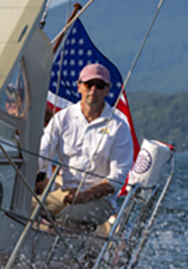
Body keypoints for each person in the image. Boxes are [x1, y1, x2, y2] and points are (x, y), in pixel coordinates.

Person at [37, 63, 134, 226]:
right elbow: (41, 155)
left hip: (101, 202)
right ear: (79, 87)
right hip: (65, 194)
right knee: (24, 208)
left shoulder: (118, 127)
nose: (93, 90)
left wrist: (85, 196)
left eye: (99, 85)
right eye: (89, 84)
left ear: (107, 90)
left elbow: (117, 178)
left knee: (66, 218)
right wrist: (30, 174)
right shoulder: (62, 118)